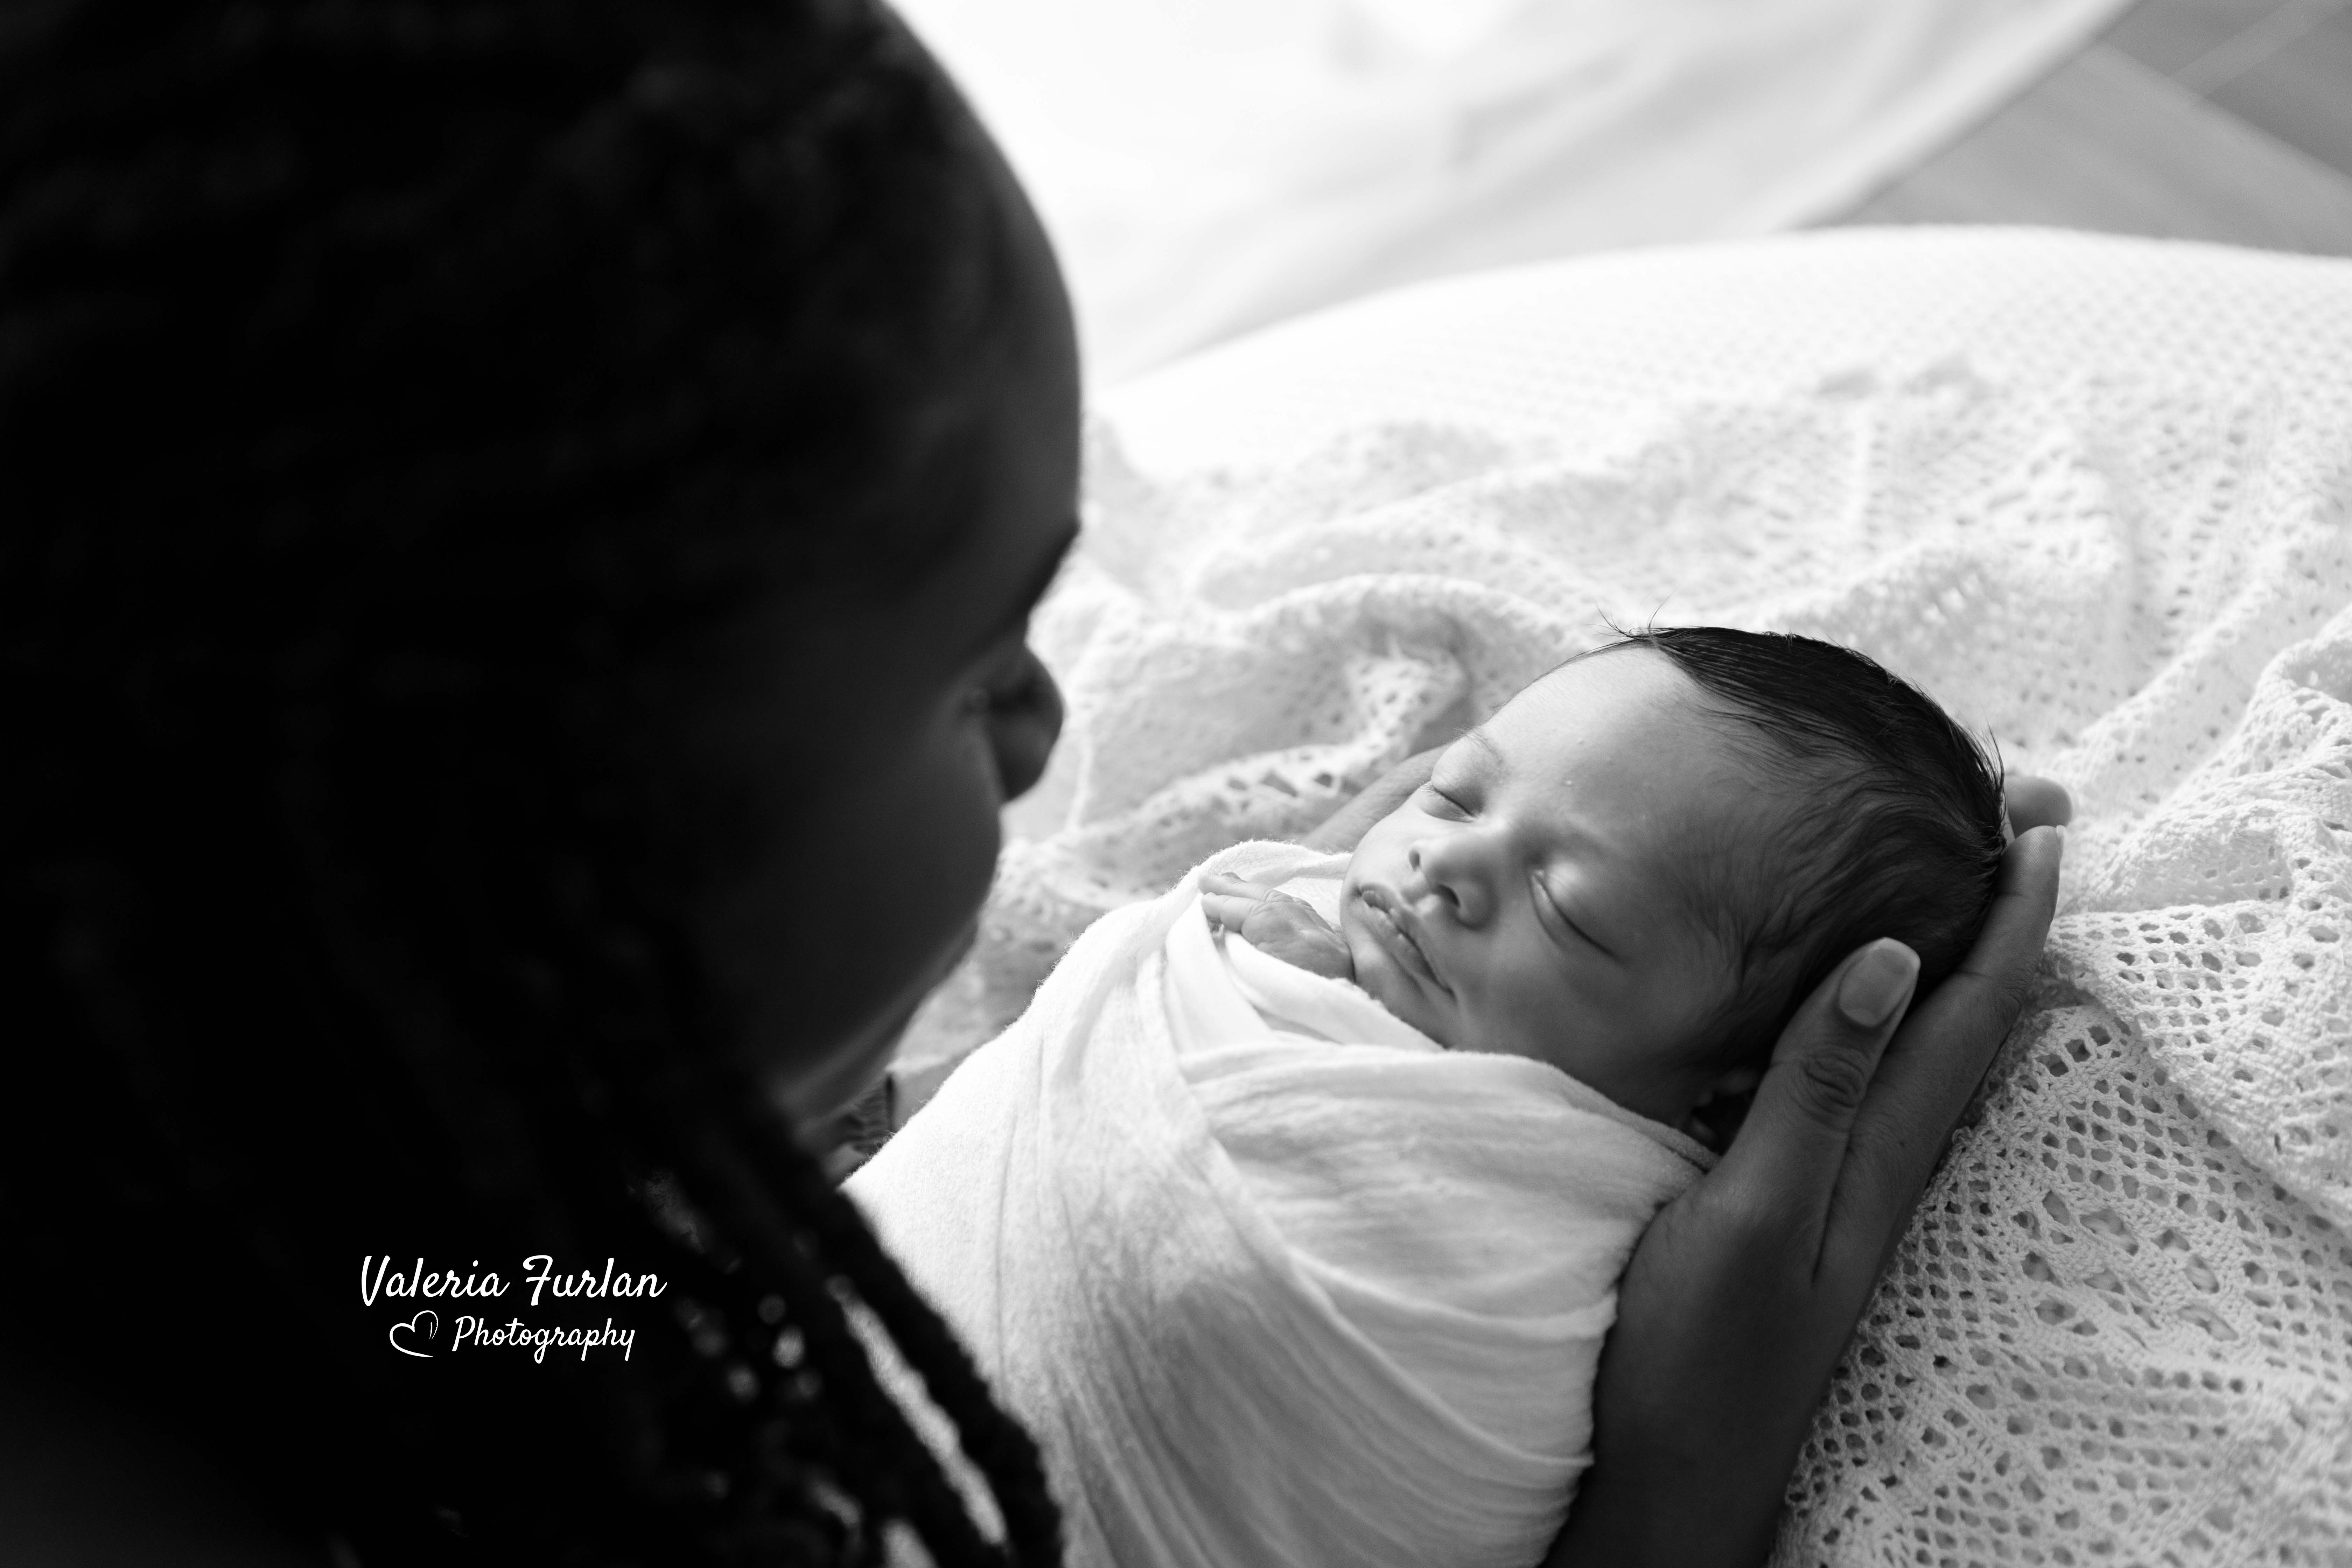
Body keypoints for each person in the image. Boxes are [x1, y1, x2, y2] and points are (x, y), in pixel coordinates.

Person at [0, 3, 2064, 1566]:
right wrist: (1673, 1502)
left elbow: (452, 1321)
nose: (1048, 734)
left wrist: (807, 1216)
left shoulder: (271, 1267)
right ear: (528, 846)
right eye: (981, 667)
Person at [847, 626, 2023, 1566]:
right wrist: (1272, 986)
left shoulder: (1589, 1219)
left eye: (1567, 911)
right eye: (1458, 795)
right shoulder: (1294, 937)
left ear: (1717, 1102)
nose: (1445, 863)